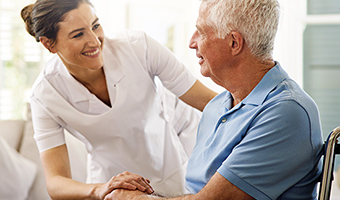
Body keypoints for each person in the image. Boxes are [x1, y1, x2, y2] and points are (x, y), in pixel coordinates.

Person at [104, 0, 324, 199]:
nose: (192, 42)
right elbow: (198, 193)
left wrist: (135, 199)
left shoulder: (287, 112)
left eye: (200, 31)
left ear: (234, 43)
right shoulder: (216, 106)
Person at [20, 0, 217, 199]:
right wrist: (101, 189)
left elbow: (210, 103)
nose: (95, 41)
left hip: (172, 168)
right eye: (79, 34)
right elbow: (55, 183)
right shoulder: (45, 95)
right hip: (113, 188)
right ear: (48, 44)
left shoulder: (138, 47)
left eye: (95, 26)